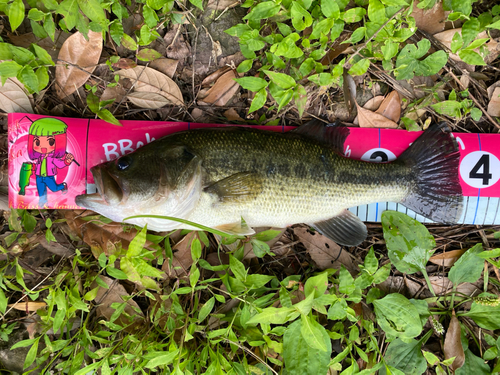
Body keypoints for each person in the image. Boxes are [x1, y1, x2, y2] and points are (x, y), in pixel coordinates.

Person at [27, 118, 74, 207]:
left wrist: (66, 162)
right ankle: (43, 204)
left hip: (49, 177)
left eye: (51, 141)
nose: (42, 147)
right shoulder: (39, 156)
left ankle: (62, 186)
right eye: (37, 142)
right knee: (41, 192)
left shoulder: (52, 157)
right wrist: (32, 167)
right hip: (39, 176)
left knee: (54, 188)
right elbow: (37, 165)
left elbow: (60, 164)